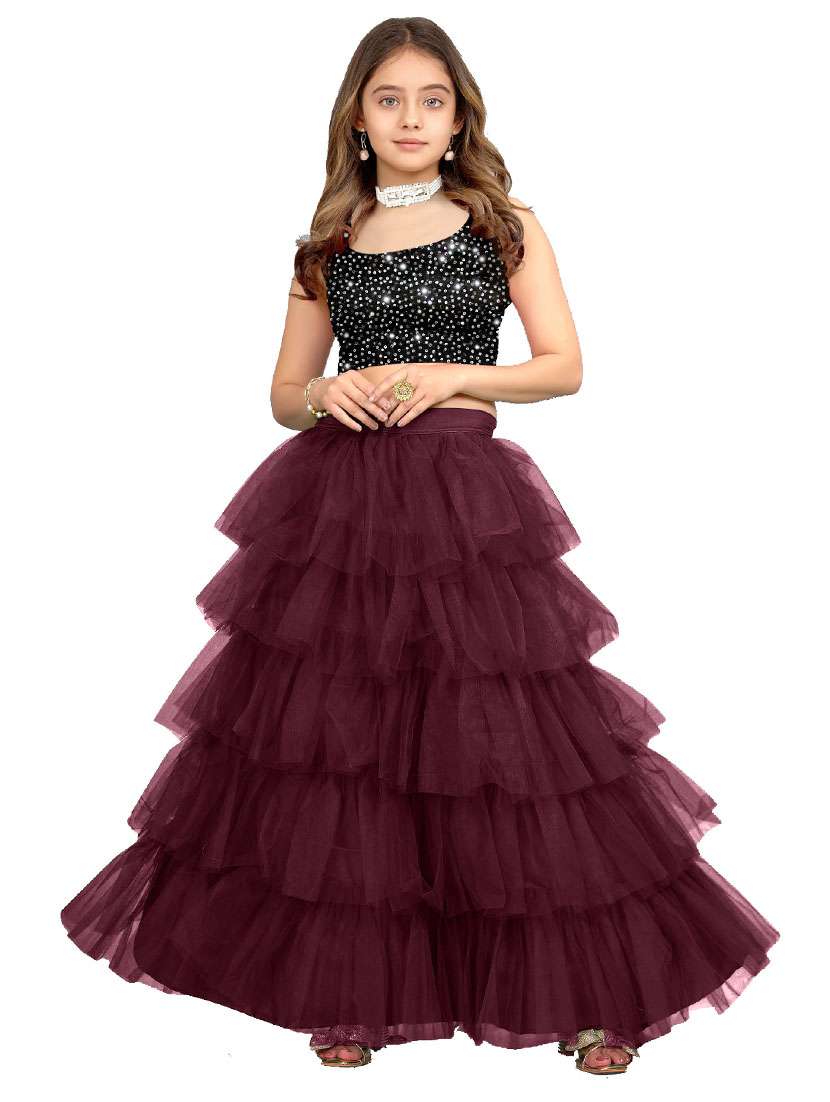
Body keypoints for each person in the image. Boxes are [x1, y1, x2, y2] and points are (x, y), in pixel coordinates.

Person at [59, 17, 780, 1077]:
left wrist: (452, 377)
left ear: (458, 118)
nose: (410, 118)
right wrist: (326, 391)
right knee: (346, 743)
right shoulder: (329, 242)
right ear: (357, 118)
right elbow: (283, 393)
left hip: (465, 506)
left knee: (511, 749)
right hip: (341, 511)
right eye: (389, 99)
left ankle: (587, 997)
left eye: (431, 100)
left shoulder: (503, 224)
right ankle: (350, 989)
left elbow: (563, 364)